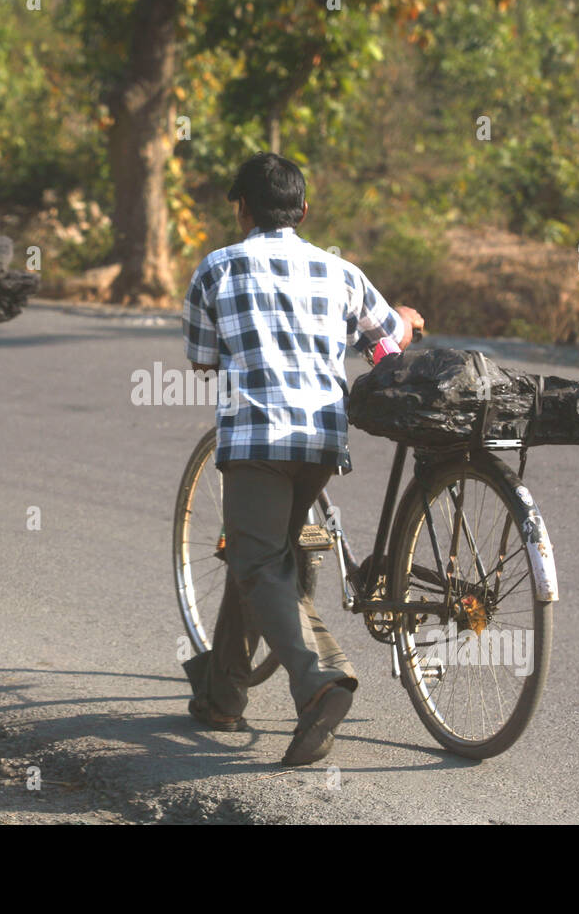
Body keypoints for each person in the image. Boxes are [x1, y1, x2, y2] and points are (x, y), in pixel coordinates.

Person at [181, 152, 424, 765]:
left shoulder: (216, 269)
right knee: (259, 555)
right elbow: (387, 344)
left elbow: (203, 358)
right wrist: (409, 324)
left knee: (258, 559)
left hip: (257, 440)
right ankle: (224, 694)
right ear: (304, 210)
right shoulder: (339, 270)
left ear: (241, 209)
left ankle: (319, 681)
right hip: (321, 440)